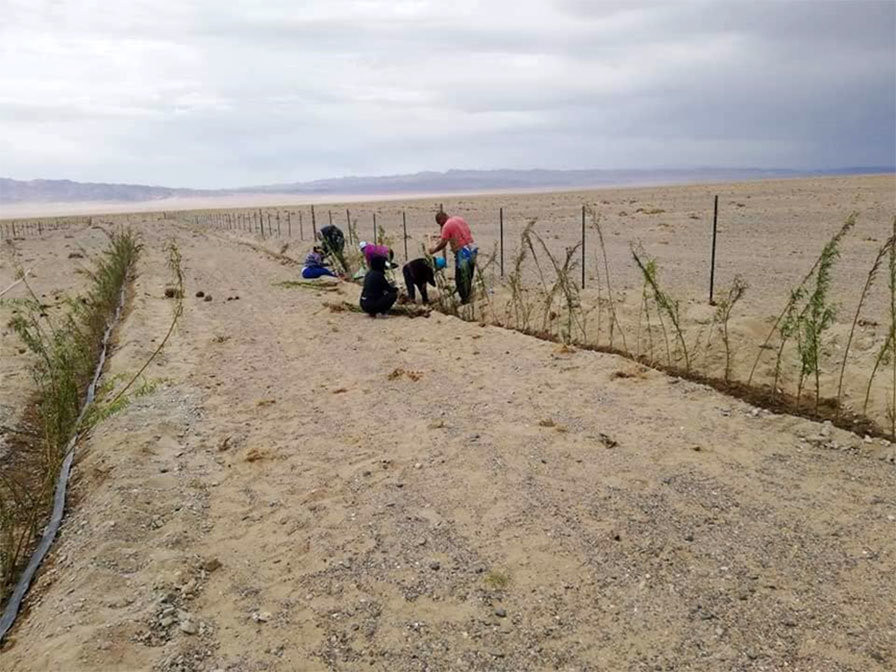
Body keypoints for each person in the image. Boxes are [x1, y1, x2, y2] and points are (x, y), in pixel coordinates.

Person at [428, 211, 477, 304]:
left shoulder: (446, 226)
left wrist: (434, 250)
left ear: (441, 219)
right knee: (469, 275)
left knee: (460, 277)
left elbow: (443, 243)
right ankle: (467, 295)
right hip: (472, 247)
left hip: (462, 251)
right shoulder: (459, 219)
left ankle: (464, 299)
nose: (440, 225)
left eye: (439, 223)